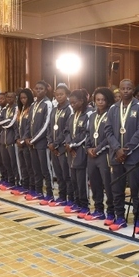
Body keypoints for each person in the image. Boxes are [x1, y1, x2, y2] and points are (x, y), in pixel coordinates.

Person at [104, 79, 139, 234]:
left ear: (133, 90)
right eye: (123, 89)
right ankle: (120, 218)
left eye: (129, 88)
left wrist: (126, 150)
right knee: (117, 189)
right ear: (119, 91)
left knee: (136, 189)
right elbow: (108, 131)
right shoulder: (113, 109)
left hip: (133, 156)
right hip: (116, 155)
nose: (126, 91)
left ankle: (138, 220)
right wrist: (117, 149)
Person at [85, 87, 115, 222]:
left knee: (108, 184)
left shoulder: (111, 114)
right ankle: (98, 209)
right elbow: (88, 133)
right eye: (98, 99)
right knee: (94, 182)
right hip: (91, 154)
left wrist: (98, 149)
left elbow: (110, 135)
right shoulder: (92, 115)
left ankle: (111, 211)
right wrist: (88, 148)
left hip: (105, 154)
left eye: (103, 100)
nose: (100, 102)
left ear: (108, 101)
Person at [65, 89, 93, 217]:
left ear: (81, 101)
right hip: (71, 151)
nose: (72, 105)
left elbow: (86, 133)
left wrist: (73, 144)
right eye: (70, 103)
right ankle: (76, 202)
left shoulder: (89, 114)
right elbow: (66, 131)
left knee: (81, 179)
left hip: (81, 150)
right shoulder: (73, 115)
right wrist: (68, 143)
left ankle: (84, 204)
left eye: (74, 102)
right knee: (74, 178)